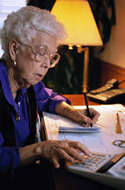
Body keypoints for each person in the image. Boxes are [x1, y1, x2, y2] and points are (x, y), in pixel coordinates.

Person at [0, 6, 100, 189]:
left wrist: (73, 113)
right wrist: (40, 149)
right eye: (41, 52)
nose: (46, 64)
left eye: (52, 56)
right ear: (14, 49)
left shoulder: (27, 84)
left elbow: (48, 97)